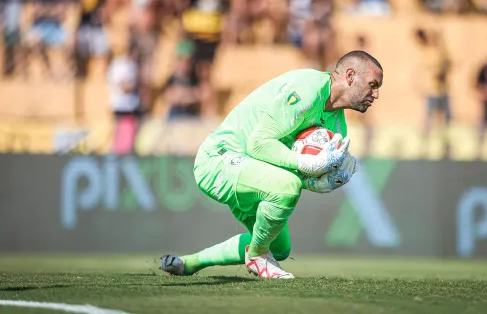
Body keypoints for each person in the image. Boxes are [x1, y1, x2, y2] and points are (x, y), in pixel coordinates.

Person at [159, 51, 383, 279]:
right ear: (351, 76)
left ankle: (188, 264)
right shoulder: (307, 89)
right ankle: (256, 256)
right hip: (218, 159)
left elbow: (301, 172)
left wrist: (322, 181)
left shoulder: (337, 129)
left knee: (279, 248)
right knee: (286, 188)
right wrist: (307, 164)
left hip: (252, 169)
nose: (375, 95)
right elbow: (258, 144)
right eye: (372, 85)